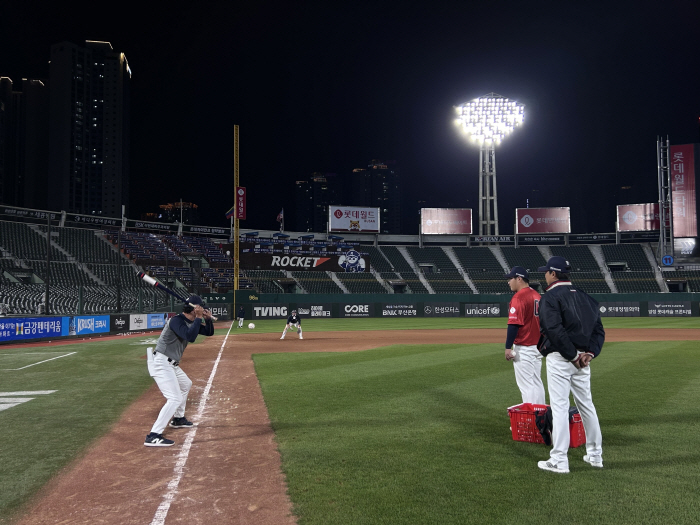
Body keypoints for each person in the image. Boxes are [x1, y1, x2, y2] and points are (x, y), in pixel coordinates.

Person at [535, 256, 605, 473]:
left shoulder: (550, 297)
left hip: (562, 358)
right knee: (587, 406)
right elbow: (598, 332)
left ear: (553, 274)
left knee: (559, 407)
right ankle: (595, 456)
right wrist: (589, 354)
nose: (545, 275)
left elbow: (554, 330)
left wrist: (573, 355)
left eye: (546, 272)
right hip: (583, 360)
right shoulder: (587, 297)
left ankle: (559, 460)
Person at [144, 295, 215, 447]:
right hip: (161, 362)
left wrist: (207, 319)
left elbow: (208, 333)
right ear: (195, 308)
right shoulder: (177, 320)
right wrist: (198, 317)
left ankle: (178, 418)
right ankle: (154, 435)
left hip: (171, 364)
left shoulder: (190, 321)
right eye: (201, 307)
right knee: (174, 398)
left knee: (186, 384)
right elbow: (190, 337)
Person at [504, 266, 545, 405]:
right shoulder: (537, 295)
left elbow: (514, 324)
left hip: (525, 347)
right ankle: (542, 420)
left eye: (511, 279)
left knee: (527, 386)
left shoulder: (519, 297)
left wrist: (508, 347)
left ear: (519, 279)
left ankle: (532, 422)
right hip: (538, 346)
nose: (508, 282)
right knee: (537, 383)